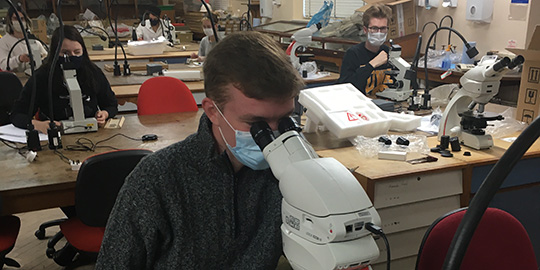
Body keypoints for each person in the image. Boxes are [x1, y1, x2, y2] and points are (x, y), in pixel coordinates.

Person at [96, 31, 304, 269]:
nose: (275, 137)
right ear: (213, 111)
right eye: (257, 125)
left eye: (286, 119)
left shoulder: (294, 172)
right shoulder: (158, 179)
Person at [10, 25, 118, 134]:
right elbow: (17, 115)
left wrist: (105, 113)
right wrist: (38, 125)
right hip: (54, 136)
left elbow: (111, 104)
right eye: (65, 53)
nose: (71, 57)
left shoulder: (93, 73)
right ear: (55, 53)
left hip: (92, 134)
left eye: (77, 52)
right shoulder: (41, 77)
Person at [337, 4, 392, 96]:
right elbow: (345, 87)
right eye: (374, 28)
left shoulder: (389, 52)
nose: (379, 33)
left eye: (383, 28)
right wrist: (371, 65)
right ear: (365, 30)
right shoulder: (353, 54)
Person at [0, 5, 47, 72]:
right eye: (16, 18)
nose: (19, 21)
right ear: (10, 21)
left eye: (22, 18)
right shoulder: (4, 42)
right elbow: (3, 65)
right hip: (16, 79)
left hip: (34, 77)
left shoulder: (33, 40)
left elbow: (46, 58)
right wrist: (19, 59)